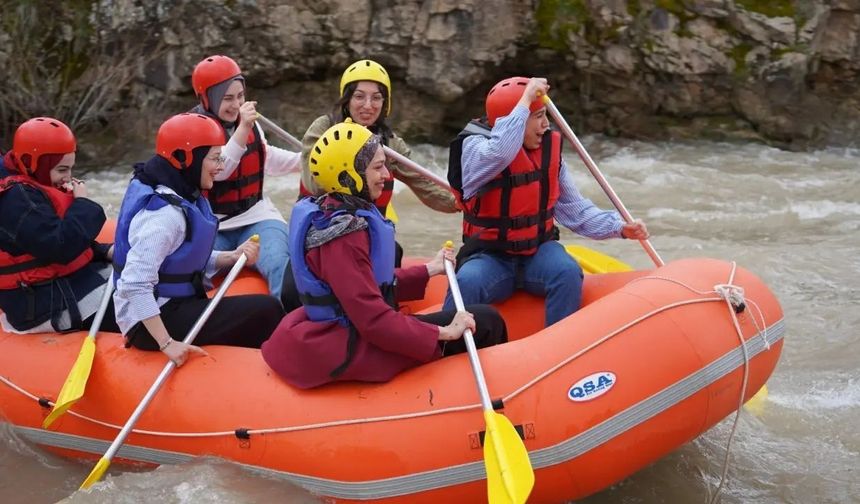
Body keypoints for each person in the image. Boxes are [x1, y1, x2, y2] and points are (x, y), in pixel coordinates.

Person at [262, 121, 507, 389]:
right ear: (349, 176)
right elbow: (373, 320)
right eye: (378, 167)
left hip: (348, 330)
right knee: (486, 321)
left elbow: (363, 286)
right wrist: (443, 332)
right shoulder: (343, 237)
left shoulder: (332, 212)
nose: (387, 175)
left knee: (480, 317)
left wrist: (428, 269)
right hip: (347, 343)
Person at [444, 77, 650, 327]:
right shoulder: (475, 149)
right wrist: (525, 101)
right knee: (467, 281)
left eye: (545, 115)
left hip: (538, 252)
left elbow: (576, 211)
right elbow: (501, 152)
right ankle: (444, 346)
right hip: (490, 256)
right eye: (538, 116)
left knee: (567, 271)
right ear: (512, 120)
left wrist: (619, 227)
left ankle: (561, 344)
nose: (545, 125)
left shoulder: (546, 152)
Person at [282, 59, 460, 310]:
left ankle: (385, 315)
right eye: (359, 97)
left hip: (369, 234)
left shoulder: (390, 144)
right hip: (320, 232)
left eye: (376, 98)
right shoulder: (323, 129)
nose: (368, 106)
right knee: (291, 294)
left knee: (392, 255)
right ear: (346, 99)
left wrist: (461, 202)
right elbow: (314, 181)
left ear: (385, 104)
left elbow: (425, 185)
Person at [112, 113, 284, 367]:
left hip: (173, 304)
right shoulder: (164, 217)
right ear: (186, 160)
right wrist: (167, 343)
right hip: (151, 322)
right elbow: (135, 283)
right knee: (266, 310)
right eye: (215, 158)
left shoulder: (183, 194)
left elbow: (177, 259)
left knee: (259, 309)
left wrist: (231, 257)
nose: (221, 166)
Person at [190, 54, 301, 300]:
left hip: (257, 218)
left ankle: (290, 321)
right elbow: (220, 171)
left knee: (278, 263)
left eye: (240, 96)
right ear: (207, 98)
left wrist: (304, 160)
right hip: (213, 226)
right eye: (227, 98)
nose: (236, 104)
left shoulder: (249, 124)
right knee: (190, 273)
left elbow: (266, 156)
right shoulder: (194, 129)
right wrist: (243, 129)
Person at [0, 117, 118, 334]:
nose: (68, 178)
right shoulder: (16, 200)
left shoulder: (32, 185)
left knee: (142, 284)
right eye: (62, 169)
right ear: (34, 163)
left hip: (66, 282)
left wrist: (103, 251)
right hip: (44, 304)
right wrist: (82, 203)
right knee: (138, 306)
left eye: (71, 169)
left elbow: (45, 240)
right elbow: (59, 246)